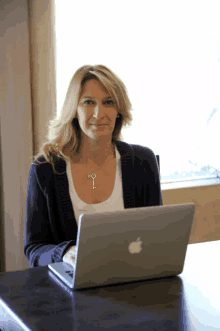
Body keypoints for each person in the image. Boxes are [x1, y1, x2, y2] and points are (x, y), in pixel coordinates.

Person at [24, 64, 163, 268]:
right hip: (71, 291)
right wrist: (64, 252)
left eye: (108, 102)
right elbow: (34, 249)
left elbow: (157, 235)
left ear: (119, 110)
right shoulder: (45, 169)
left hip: (133, 279)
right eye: (88, 102)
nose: (99, 113)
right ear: (74, 110)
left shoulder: (143, 161)